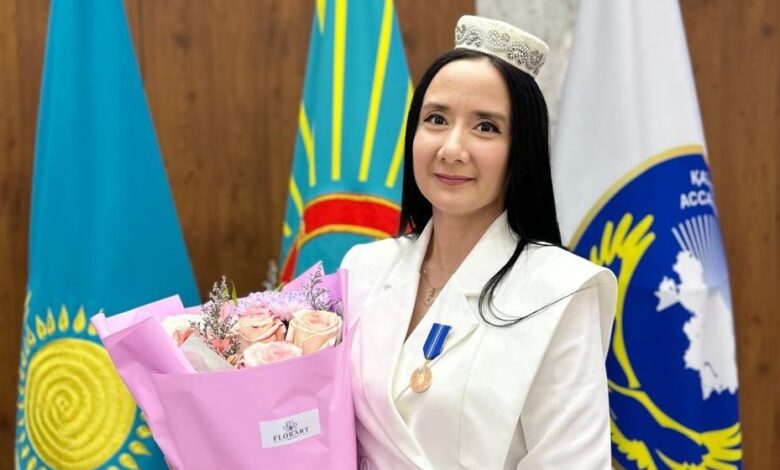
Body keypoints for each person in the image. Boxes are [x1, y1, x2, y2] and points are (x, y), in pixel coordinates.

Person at [341, 15, 617, 470]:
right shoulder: (363, 268)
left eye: (486, 127)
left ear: (522, 150)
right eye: (436, 119)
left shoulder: (561, 291)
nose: (451, 148)